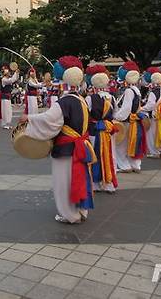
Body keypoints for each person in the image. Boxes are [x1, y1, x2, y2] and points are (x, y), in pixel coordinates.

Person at [21, 55, 96, 224]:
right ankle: (81, 210)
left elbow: (50, 120)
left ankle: (69, 214)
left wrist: (29, 118)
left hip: (66, 149)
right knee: (80, 178)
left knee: (63, 182)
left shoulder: (64, 102)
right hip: (81, 147)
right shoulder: (82, 100)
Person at [85, 64, 118, 193]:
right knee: (110, 155)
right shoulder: (112, 98)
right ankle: (109, 183)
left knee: (95, 156)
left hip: (94, 130)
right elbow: (115, 114)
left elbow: (85, 114)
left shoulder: (89, 98)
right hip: (108, 131)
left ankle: (96, 184)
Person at [113, 61, 146, 173]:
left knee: (121, 144)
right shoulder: (136, 89)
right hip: (134, 121)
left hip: (126, 121)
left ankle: (124, 165)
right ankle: (135, 165)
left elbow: (126, 109)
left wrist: (116, 117)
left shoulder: (128, 91)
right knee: (133, 143)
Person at [141, 67, 161, 159]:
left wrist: (141, 108)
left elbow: (150, 105)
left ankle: (154, 151)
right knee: (159, 131)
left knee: (151, 134)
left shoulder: (153, 92)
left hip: (154, 114)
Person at [0, 64, 19, 129]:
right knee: (5, 111)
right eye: (8, 73)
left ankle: (8, 123)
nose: (9, 73)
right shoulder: (4, 79)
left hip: (8, 97)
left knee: (9, 111)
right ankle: (5, 124)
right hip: (4, 97)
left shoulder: (8, 79)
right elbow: (12, 80)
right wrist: (15, 73)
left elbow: (15, 79)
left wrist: (17, 73)